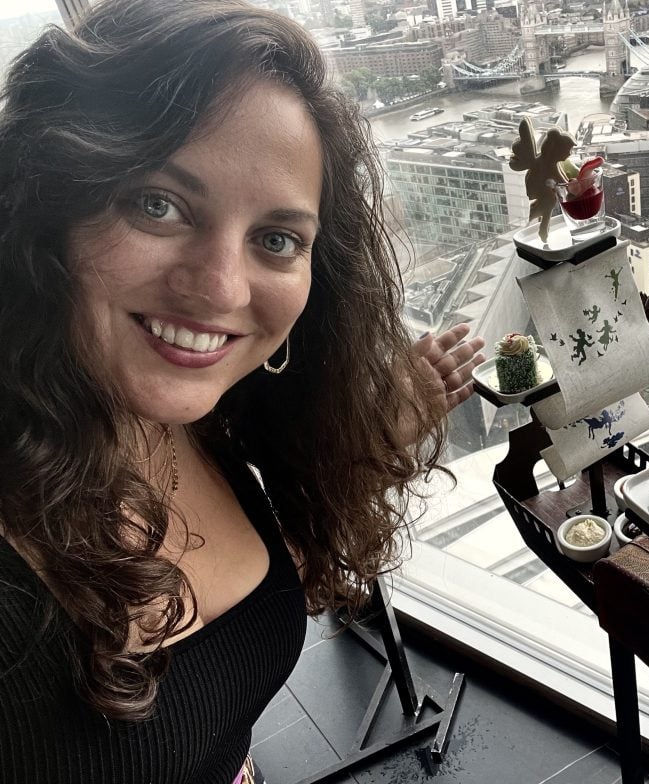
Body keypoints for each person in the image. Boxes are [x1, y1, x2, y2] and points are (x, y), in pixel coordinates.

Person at [0, 1, 484, 782]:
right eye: (157, 203)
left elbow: (260, 596)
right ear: (48, 202)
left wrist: (381, 430)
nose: (222, 288)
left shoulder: (207, 422)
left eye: (276, 239)